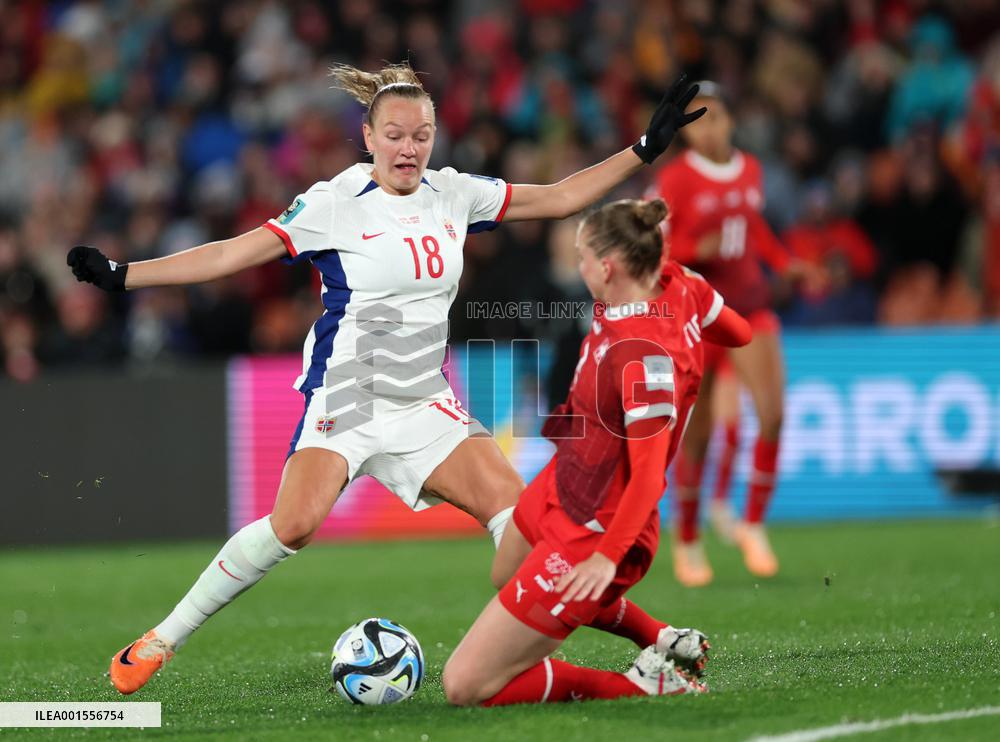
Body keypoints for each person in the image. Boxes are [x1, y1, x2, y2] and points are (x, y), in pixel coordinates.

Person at [67, 63, 708, 695]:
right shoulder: (332, 203)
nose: (410, 148)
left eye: (422, 135)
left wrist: (644, 149)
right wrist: (125, 274)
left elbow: (559, 197)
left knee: (528, 535)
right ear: (368, 136)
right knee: (293, 525)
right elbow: (228, 254)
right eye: (396, 135)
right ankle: (161, 638)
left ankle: (656, 643)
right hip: (348, 397)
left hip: (426, 402)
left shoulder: (453, 192)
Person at [442, 198, 752, 706]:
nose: (577, 266)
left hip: (597, 524)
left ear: (607, 268)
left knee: (465, 686)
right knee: (505, 575)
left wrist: (606, 560)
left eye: (582, 256)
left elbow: (649, 480)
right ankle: (656, 635)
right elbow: (737, 332)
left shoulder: (643, 358)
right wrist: (693, 304)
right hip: (566, 481)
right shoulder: (677, 282)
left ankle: (642, 685)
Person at [649, 82, 813, 587]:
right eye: (698, 121)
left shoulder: (751, 170)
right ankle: (691, 540)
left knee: (773, 414)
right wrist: (702, 244)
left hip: (751, 305)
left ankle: (753, 523)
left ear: (731, 122)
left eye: (716, 117)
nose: (709, 128)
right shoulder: (674, 180)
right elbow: (660, 251)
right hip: (700, 314)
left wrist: (784, 263)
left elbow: (754, 229)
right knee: (696, 437)